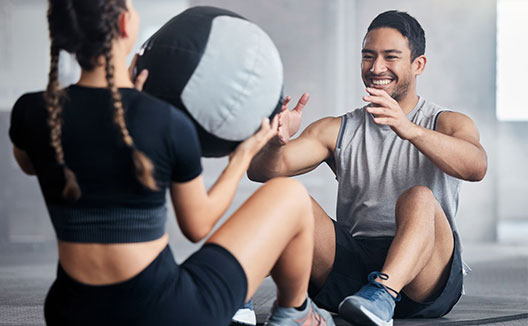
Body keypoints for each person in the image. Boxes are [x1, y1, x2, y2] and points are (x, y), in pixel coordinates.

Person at [9, 1, 336, 325]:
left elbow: (30, 163)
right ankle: (296, 314)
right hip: (163, 312)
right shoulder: (162, 120)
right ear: (125, 25)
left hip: (70, 311)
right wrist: (242, 158)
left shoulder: (33, 111)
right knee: (289, 195)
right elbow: (197, 226)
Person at [248, 10, 488, 326]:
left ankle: (384, 295)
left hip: (424, 277)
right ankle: (233, 293)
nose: (376, 68)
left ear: (418, 65)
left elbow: (476, 167)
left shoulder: (448, 122)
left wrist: (409, 128)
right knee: (286, 195)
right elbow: (261, 172)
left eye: (390, 57)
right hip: (352, 274)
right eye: (368, 57)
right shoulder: (337, 129)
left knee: (419, 197)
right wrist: (275, 143)